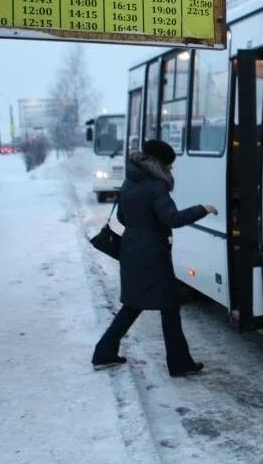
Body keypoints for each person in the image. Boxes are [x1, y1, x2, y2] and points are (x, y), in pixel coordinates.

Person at [92, 139, 218, 376]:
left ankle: (103, 353)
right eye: (170, 165)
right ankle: (180, 364)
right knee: (169, 308)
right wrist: (203, 209)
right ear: (160, 163)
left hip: (131, 252)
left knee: (132, 306)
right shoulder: (155, 186)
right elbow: (172, 219)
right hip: (153, 256)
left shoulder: (130, 181)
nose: (172, 169)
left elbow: (124, 218)